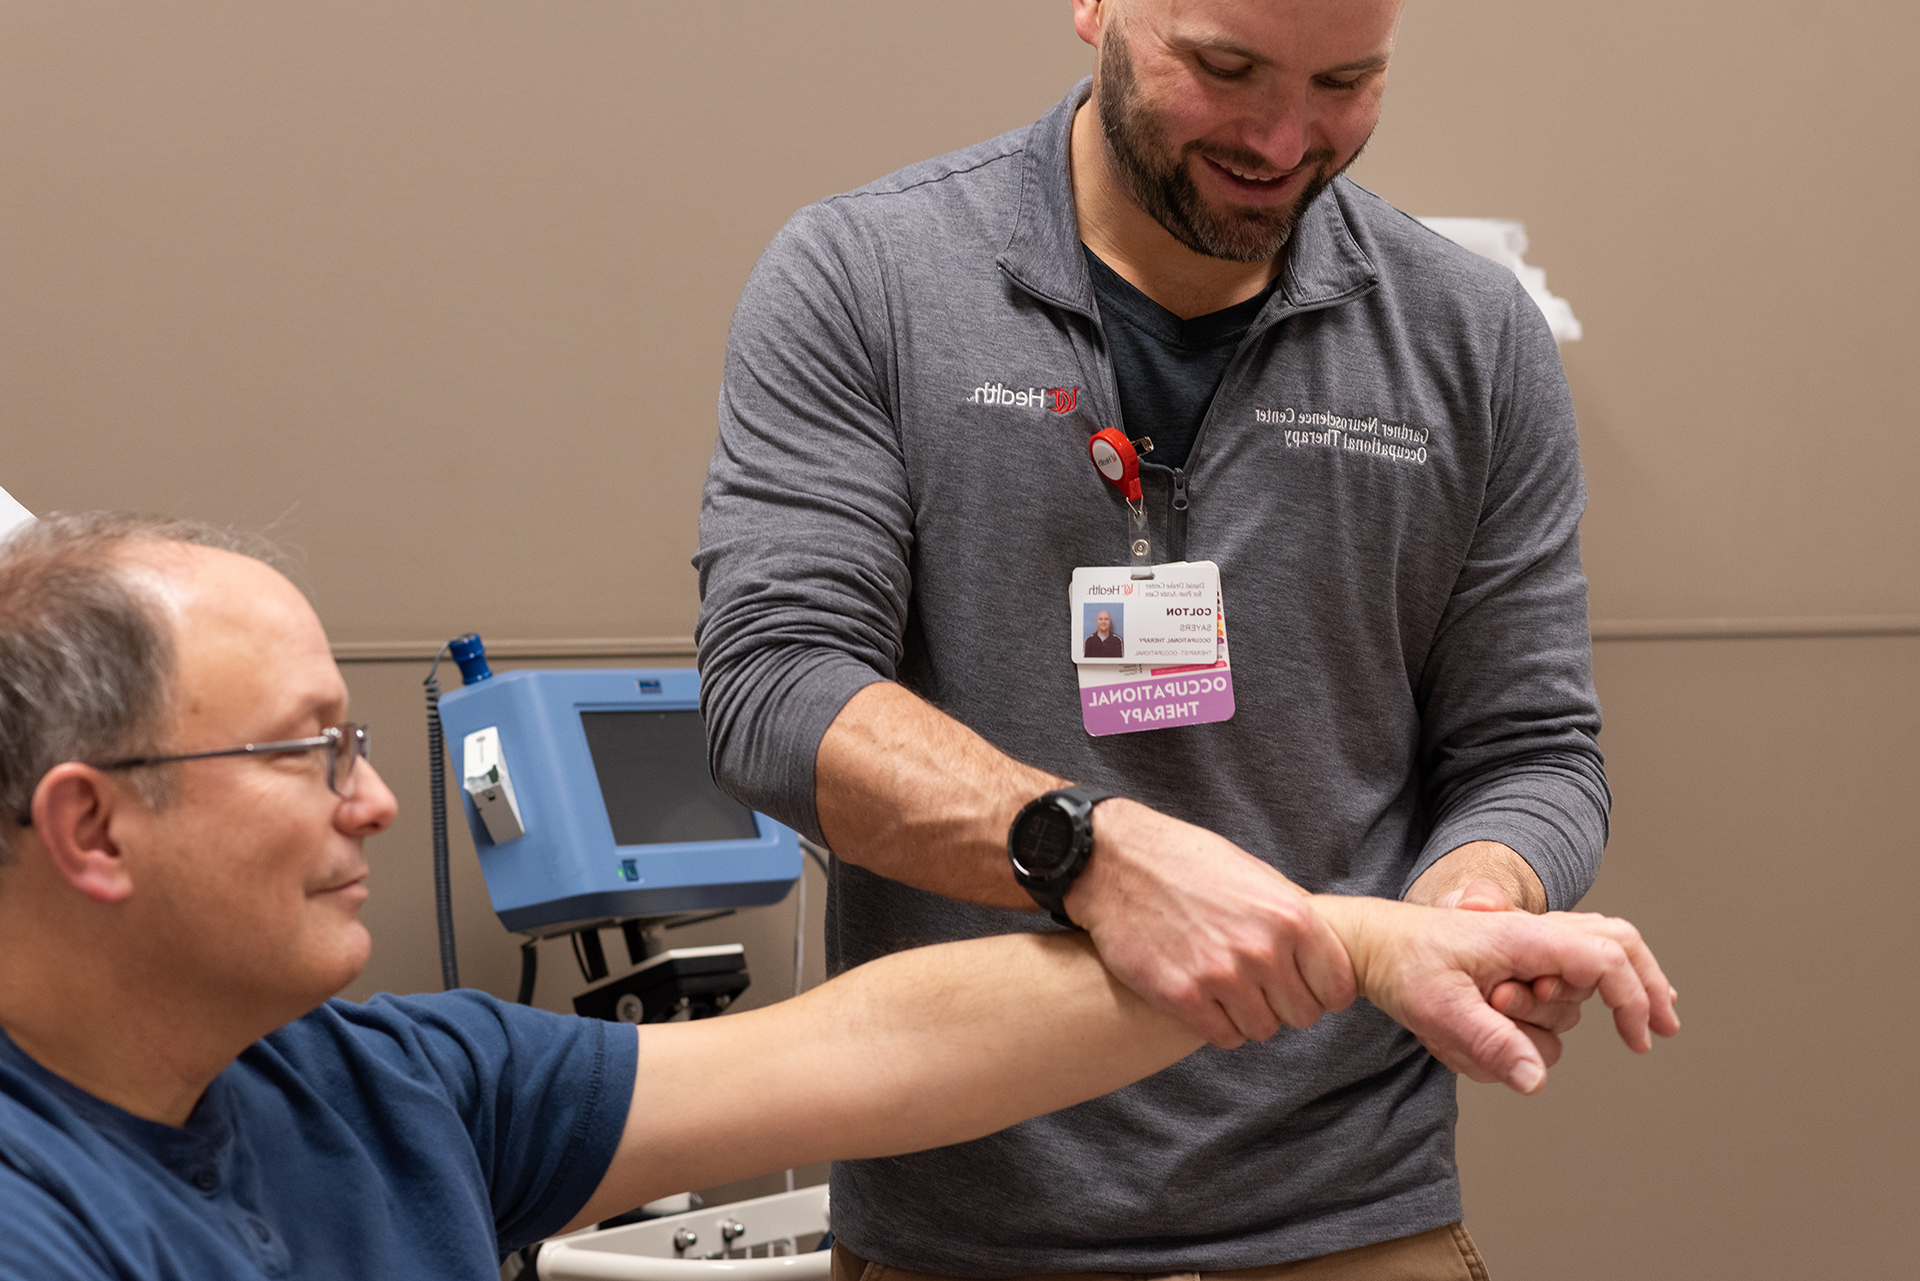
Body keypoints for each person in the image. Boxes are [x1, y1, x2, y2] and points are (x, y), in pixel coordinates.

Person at [0, 515, 1673, 1280]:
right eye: (307, 753)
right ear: (94, 828)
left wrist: (1374, 937)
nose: (373, 796)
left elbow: (875, 1048)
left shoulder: (384, 1086)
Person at [696, 0, 1637, 1275]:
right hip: (969, 1228)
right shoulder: (871, 279)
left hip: (1350, 1214)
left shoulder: (1469, 335)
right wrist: (1082, 849)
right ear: (1094, 10)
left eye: (1347, 82)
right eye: (1224, 67)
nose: (1282, 137)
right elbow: (775, 691)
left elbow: (1532, 750)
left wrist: (1467, 903)